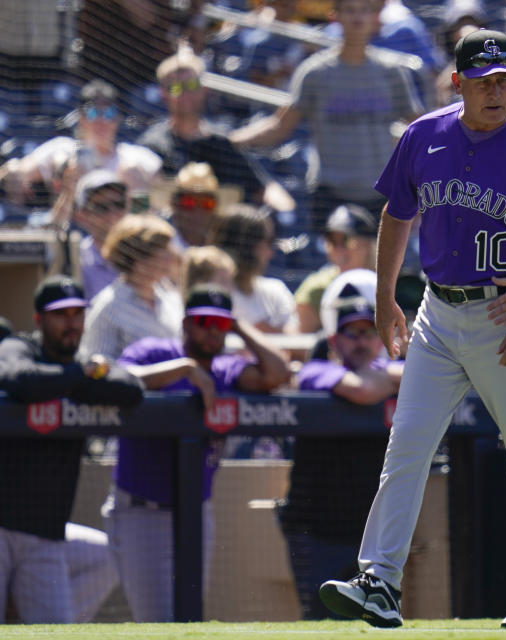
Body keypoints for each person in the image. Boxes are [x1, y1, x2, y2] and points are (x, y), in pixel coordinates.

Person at [318, 29, 506, 629]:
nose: (498, 89)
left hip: (505, 319)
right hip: (436, 312)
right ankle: (379, 581)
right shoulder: (424, 134)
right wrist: (383, 299)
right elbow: (397, 215)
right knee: (406, 449)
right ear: (459, 83)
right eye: (485, 81)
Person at [106, 283, 290, 622]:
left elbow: (277, 374)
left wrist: (239, 327)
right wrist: (186, 368)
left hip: (196, 512)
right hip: (142, 511)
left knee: (188, 619)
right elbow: (118, 378)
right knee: (157, 624)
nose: (211, 331)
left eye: (219, 324)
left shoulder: (227, 370)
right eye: (204, 321)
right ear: (186, 323)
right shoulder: (154, 352)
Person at [0, 276, 144, 623]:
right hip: (0, 526)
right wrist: (83, 375)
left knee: (56, 631)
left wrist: (75, 376)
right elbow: (20, 379)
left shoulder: (84, 361)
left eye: (77, 314)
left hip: (45, 533)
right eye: (60, 314)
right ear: (39, 320)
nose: (71, 323)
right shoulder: (19, 348)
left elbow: (130, 388)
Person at [229, 0, 424, 229]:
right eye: (350, 10)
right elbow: (279, 126)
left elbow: (420, 128)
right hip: (328, 194)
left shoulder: (392, 73)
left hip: (379, 194)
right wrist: (229, 141)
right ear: (336, 16)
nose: (357, 18)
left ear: (374, 16)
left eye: (364, 10)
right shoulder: (314, 73)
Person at [280, 269, 403, 619]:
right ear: (335, 341)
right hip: (316, 528)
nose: (361, 341)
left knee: (378, 620)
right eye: (352, 333)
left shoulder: (386, 370)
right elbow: (361, 390)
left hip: (371, 532)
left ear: (380, 338)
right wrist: (389, 378)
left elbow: (418, 374)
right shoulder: (315, 371)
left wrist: (388, 374)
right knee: (322, 620)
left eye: (368, 332)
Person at [138, 47, 295, 213]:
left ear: (205, 89)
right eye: (175, 88)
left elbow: (265, 188)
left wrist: (286, 213)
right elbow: (138, 197)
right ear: (163, 93)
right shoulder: (152, 146)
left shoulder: (223, 141)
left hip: (225, 231)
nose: (185, 93)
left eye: (191, 84)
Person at [0, 79, 161, 211]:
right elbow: (16, 172)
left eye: (108, 113)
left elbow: (162, 203)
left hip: (122, 237)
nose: (100, 121)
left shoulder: (138, 156)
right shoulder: (61, 148)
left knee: (132, 173)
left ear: (117, 118)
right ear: (81, 118)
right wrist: (62, 170)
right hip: (68, 231)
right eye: (92, 113)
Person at [80, 214, 183, 360]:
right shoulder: (107, 308)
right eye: (163, 251)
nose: (171, 258)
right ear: (138, 259)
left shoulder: (171, 300)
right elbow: (97, 368)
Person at [212, 204, 299, 334]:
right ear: (246, 246)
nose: (271, 253)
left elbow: (296, 340)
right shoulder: (213, 294)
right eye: (268, 242)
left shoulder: (276, 289)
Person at [294, 203, 378, 334]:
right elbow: (301, 343)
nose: (338, 250)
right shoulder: (316, 288)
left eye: (347, 240)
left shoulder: (389, 285)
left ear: (368, 245)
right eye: (332, 242)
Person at [69, 169, 127, 299]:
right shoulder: (74, 260)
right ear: (81, 215)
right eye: (101, 207)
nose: (112, 214)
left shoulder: (144, 255)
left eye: (118, 204)